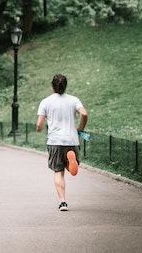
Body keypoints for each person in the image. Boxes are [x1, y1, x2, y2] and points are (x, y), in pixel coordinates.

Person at [36, 74, 88, 212]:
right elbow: (84, 114)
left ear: (52, 85)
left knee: (58, 172)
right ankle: (72, 163)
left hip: (55, 141)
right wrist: (81, 128)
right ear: (65, 85)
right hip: (72, 140)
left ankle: (63, 202)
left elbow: (39, 125)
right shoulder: (74, 100)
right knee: (70, 167)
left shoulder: (46, 102)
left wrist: (39, 129)